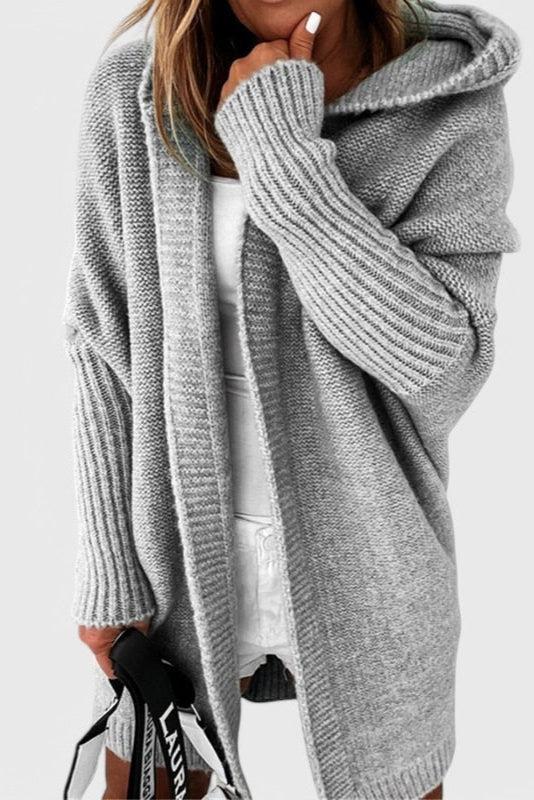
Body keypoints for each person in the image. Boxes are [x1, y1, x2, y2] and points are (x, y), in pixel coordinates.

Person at [63, 0, 521, 798]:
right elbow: (103, 340)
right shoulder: (137, 88)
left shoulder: (446, 96)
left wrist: (283, 159)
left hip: (377, 569)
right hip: (175, 566)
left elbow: (445, 370)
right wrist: (109, 565)